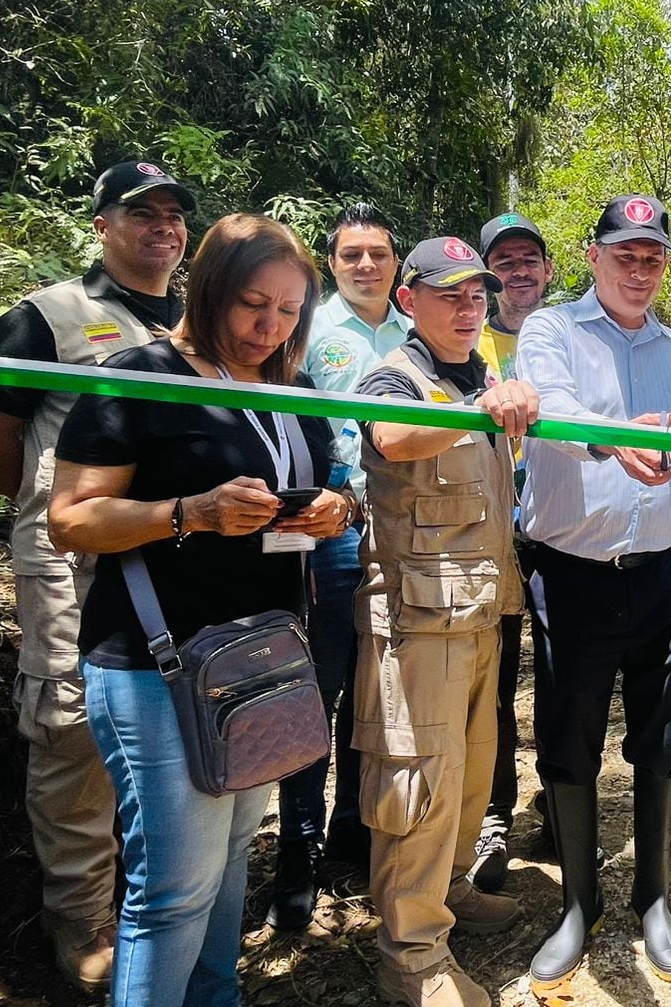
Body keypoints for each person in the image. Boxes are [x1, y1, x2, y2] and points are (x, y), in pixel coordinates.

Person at [47, 213, 352, 1006]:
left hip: (261, 662)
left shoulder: (290, 388)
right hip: (157, 662)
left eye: (289, 311)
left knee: (226, 872)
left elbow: (334, 484)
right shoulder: (139, 377)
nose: (269, 326)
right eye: (254, 303)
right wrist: (192, 511)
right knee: (174, 890)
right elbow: (71, 518)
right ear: (210, 286)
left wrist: (335, 510)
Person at [0, 159, 193, 990]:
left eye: (174, 214)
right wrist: (44, 509)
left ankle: (150, 897)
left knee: (159, 717)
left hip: (172, 553)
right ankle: (81, 917)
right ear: (100, 225)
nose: (162, 227)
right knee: (70, 726)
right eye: (141, 213)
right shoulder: (46, 318)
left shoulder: (196, 323)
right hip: (72, 559)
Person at [515, 194, 671, 993]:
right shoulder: (551, 331)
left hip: (663, 572)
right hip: (573, 575)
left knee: (662, 741)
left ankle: (654, 895)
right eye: (624, 254)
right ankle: (578, 903)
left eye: (653, 256)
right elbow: (550, 411)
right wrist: (615, 437)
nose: (639, 269)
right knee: (568, 741)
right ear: (593, 257)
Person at [352, 236, 539, 1007]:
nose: (469, 309)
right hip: (418, 622)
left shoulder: (476, 372)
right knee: (418, 785)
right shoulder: (395, 378)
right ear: (408, 301)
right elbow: (391, 439)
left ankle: (448, 896)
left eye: (477, 296)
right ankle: (412, 955)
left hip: (478, 609)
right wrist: (476, 409)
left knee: (466, 775)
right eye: (450, 294)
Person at [267, 201, 409, 928]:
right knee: (314, 693)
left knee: (375, 695)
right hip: (330, 531)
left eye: (378, 252)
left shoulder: (416, 330)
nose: (365, 264)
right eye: (351, 253)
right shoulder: (305, 329)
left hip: (405, 531)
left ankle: (352, 831)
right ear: (332, 262)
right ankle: (297, 853)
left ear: (394, 259)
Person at [469, 210, 555, 892]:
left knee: (561, 674)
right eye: (505, 261)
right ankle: (493, 816)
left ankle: (560, 797)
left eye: (529, 259)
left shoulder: (575, 338)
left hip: (558, 530)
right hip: (490, 530)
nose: (517, 270)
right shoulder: (470, 340)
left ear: (549, 269)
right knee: (493, 681)